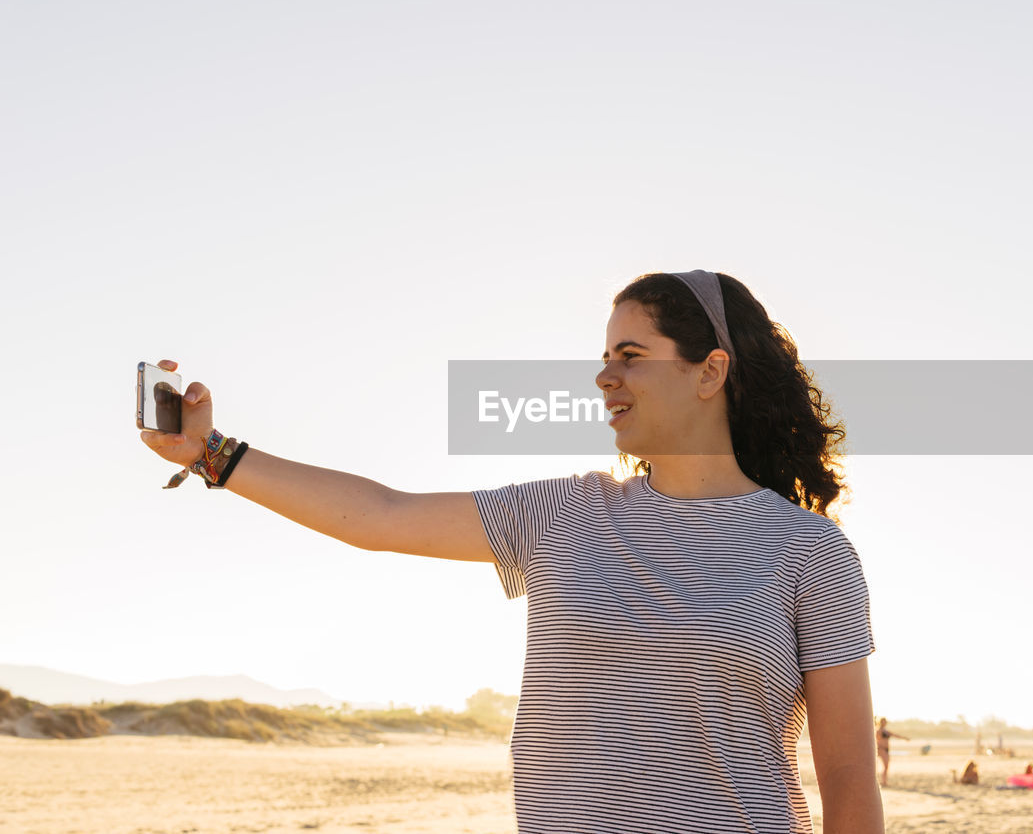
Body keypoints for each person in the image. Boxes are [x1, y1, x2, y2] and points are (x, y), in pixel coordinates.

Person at [138, 270, 883, 834]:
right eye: (603, 355)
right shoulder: (563, 512)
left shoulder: (808, 551)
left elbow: (849, 777)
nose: (605, 374)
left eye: (631, 354)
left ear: (710, 371)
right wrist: (212, 455)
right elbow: (378, 515)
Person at [876, 717, 910, 787]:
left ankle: (884, 781)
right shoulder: (878, 730)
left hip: (886, 749)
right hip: (881, 749)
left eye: (885, 722)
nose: (884, 723)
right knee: (882, 765)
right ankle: (882, 781)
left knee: (886, 766)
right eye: (883, 721)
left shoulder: (886, 731)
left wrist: (904, 738)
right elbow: (876, 739)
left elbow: (895, 735)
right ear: (880, 722)